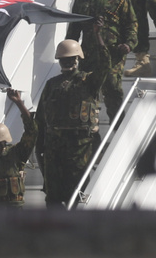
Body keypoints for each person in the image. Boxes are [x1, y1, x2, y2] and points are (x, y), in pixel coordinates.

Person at [66, 0, 137, 121]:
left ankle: (118, 131)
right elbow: (74, 29)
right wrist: (70, 52)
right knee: (85, 95)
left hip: (113, 55)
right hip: (89, 56)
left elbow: (131, 25)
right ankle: (88, 132)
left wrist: (129, 44)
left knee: (113, 91)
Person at [36, 39, 106, 207]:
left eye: (71, 58)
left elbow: (104, 67)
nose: (67, 62)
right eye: (63, 59)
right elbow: (40, 119)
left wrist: (100, 42)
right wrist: (39, 147)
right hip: (54, 147)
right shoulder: (52, 84)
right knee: (52, 195)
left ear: (78, 59)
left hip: (79, 146)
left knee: (75, 193)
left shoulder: (89, 82)